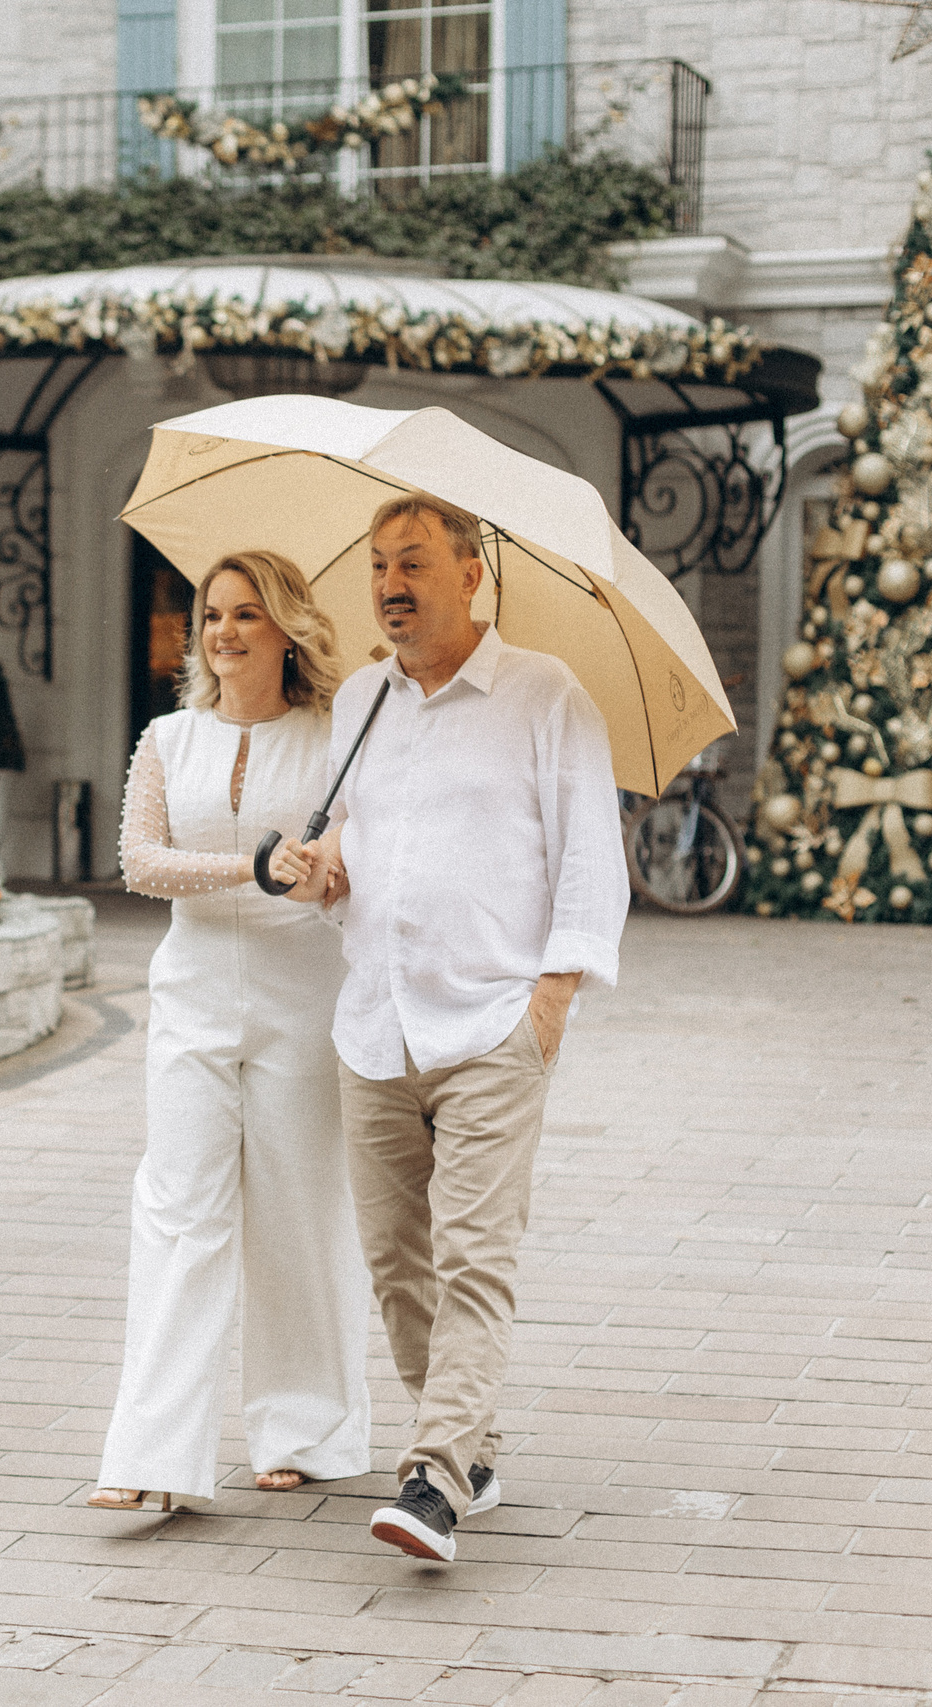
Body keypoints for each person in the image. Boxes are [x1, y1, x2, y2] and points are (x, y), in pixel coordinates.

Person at [272, 494, 628, 1562]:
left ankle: (431, 1481)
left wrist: (551, 1000)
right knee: (395, 1264)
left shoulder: (543, 695)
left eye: (414, 562)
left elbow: (587, 856)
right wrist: (325, 874)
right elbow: (356, 852)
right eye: (380, 563)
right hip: (375, 1020)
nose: (390, 583)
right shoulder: (361, 704)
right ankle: (468, 1445)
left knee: (474, 1257)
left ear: (471, 576)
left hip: (490, 1020)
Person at [89, 550, 372, 1512]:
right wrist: (250, 868)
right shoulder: (170, 737)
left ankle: (308, 1428)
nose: (223, 631)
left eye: (247, 614)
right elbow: (139, 860)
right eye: (212, 614)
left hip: (305, 992)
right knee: (177, 1206)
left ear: (287, 629)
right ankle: (150, 1454)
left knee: (300, 1207)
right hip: (194, 993)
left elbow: (352, 865)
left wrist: (328, 868)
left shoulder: (336, 737)